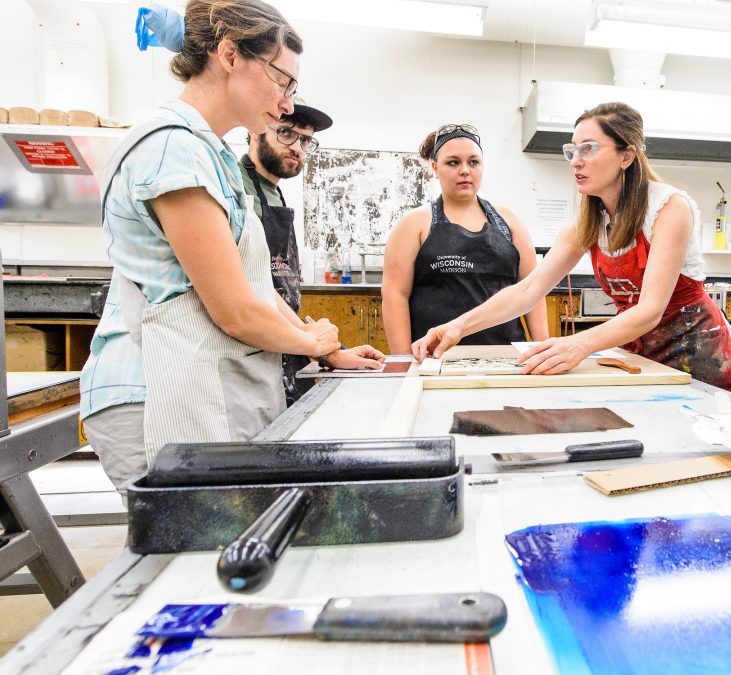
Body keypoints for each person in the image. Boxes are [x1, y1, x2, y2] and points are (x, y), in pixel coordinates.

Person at [79, 0, 379, 493]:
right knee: (190, 555)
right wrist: (311, 343)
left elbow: (257, 289)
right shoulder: (171, 148)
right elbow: (235, 311)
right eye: (282, 80)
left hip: (197, 386)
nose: (286, 102)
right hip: (154, 394)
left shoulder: (208, 154)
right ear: (229, 54)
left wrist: (324, 351)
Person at [412, 103, 731, 394]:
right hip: (639, 353)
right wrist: (457, 326)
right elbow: (527, 290)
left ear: (626, 156)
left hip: (698, 354)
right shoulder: (587, 223)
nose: (575, 162)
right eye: (572, 151)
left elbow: (649, 310)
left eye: (588, 149)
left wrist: (579, 344)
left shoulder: (669, 208)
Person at [242, 101, 380, 404]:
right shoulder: (239, 189)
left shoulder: (273, 190)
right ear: (255, 130)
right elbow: (255, 288)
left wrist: (330, 351)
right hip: (248, 353)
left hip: (282, 345)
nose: (298, 148)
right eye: (286, 134)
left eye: (305, 140)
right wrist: (318, 346)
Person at [382, 124, 549, 354]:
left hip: (506, 359)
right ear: (435, 167)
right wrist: (402, 364)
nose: (465, 170)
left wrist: (541, 350)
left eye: (473, 162)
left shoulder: (508, 221)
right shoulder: (414, 224)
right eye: (453, 162)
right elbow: (395, 296)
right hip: (435, 359)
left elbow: (533, 290)